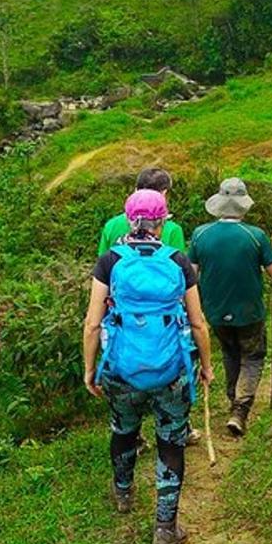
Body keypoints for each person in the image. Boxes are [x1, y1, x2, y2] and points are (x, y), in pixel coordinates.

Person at [82, 189, 214, 544]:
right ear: (162, 221)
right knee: (171, 441)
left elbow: (93, 324)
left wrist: (90, 369)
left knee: (123, 429)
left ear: (128, 220)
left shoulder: (110, 261)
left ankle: (123, 494)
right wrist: (206, 366)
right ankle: (165, 528)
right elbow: (198, 322)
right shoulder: (178, 260)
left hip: (121, 370)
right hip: (171, 369)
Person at [98, 168, 198, 446]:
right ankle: (178, 427)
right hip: (163, 322)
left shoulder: (111, 226)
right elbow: (181, 280)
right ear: (163, 198)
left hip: (122, 319)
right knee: (167, 373)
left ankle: (133, 434)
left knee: (126, 371)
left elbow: (102, 276)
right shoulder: (173, 231)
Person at [188, 178, 272, 438]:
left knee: (231, 354)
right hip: (250, 313)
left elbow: (191, 276)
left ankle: (234, 401)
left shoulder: (200, 235)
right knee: (252, 357)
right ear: (243, 206)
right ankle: (240, 411)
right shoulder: (255, 236)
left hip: (215, 311)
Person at [98, 168, 186, 255]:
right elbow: (179, 266)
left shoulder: (111, 225)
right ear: (164, 193)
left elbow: (102, 263)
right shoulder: (173, 230)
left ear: (136, 190)